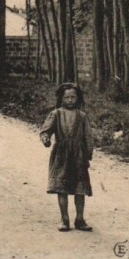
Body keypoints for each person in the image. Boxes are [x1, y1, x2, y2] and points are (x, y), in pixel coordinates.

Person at [40, 83, 93, 232]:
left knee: (80, 189)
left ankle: (80, 219)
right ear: (61, 99)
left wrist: (88, 154)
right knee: (61, 188)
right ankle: (64, 220)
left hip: (78, 156)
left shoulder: (82, 116)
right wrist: (46, 139)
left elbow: (88, 137)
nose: (70, 100)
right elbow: (45, 131)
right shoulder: (56, 114)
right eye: (67, 97)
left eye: (73, 97)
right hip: (61, 155)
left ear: (78, 98)